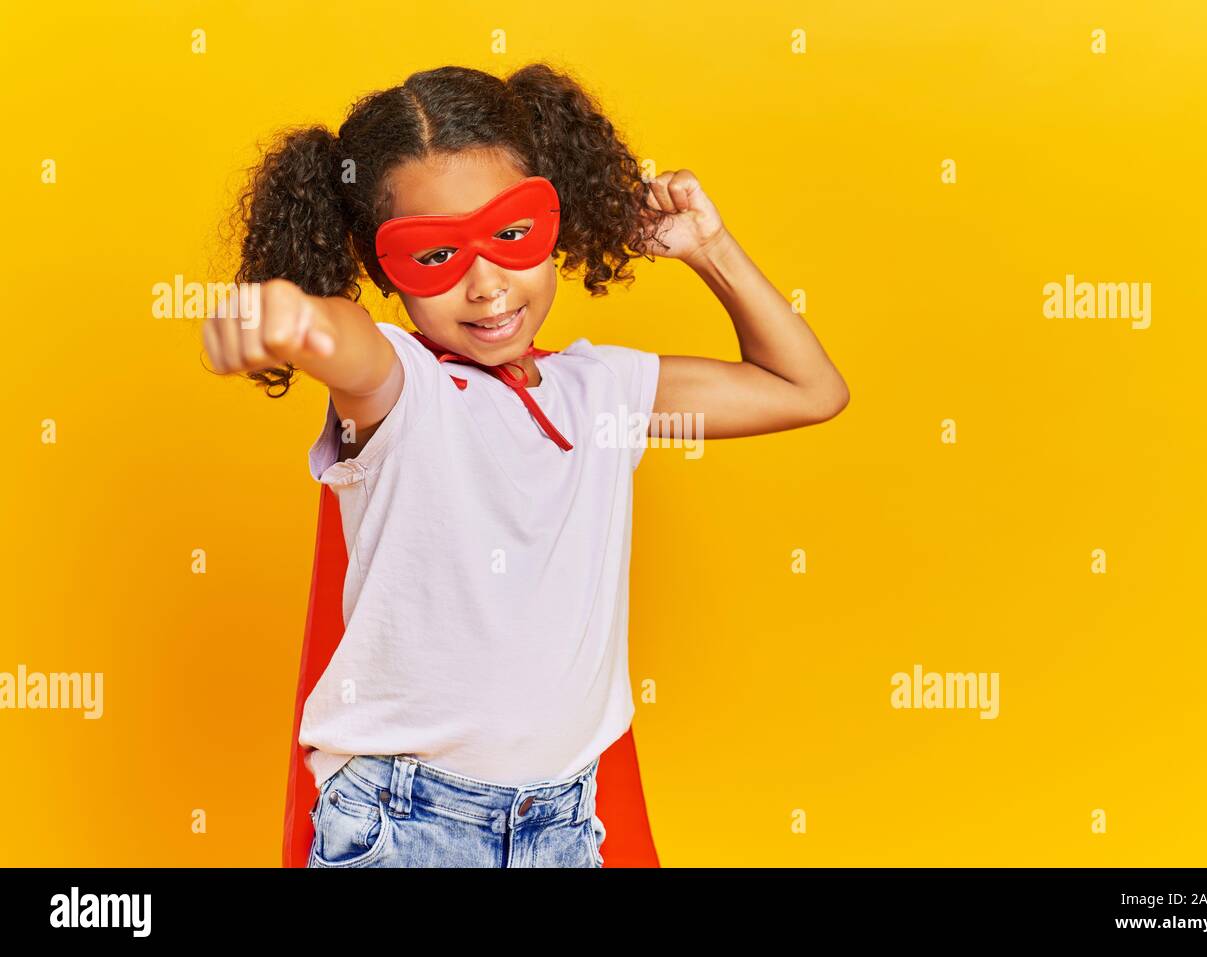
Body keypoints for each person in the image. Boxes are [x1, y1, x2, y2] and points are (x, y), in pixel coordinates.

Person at [201, 62, 849, 867]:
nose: (486, 286)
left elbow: (808, 389)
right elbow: (351, 346)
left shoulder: (603, 393)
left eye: (512, 236)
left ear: (555, 218)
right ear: (379, 269)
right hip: (408, 826)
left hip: (566, 826)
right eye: (434, 255)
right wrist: (291, 319)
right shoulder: (406, 394)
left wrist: (708, 248)